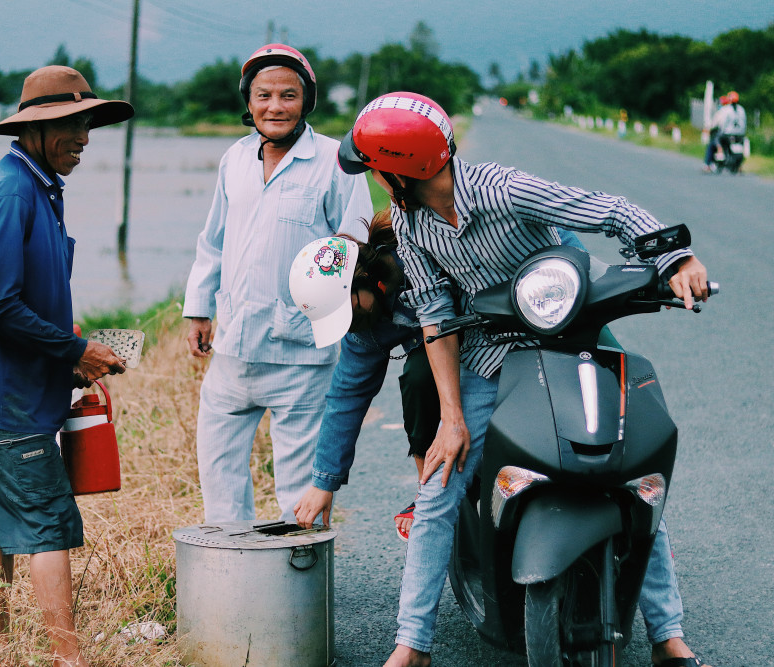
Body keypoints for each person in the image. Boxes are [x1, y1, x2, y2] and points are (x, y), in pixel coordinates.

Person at [337, 91, 712, 667]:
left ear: (397, 172)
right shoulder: (412, 227)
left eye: (376, 168)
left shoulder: (501, 188)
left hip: (571, 335)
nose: (377, 181)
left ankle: (668, 632)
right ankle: (412, 644)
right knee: (437, 489)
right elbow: (436, 318)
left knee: (629, 467)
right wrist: (452, 420)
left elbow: (605, 210)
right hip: (490, 357)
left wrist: (675, 258)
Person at [0, 65, 132, 667]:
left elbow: (23, 296)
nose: (84, 137)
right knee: (47, 525)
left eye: (87, 123)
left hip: (8, 386)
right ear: (37, 128)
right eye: (74, 124)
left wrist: (69, 353)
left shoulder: (36, 185)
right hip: (8, 396)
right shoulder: (12, 191)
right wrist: (75, 350)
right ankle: (67, 659)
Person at [291, 214, 589, 542]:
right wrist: (324, 483)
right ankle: (428, 491)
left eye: (348, 313)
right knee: (419, 376)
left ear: (365, 278)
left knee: (595, 357)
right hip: (443, 350)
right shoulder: (364, 327)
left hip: (509, 316)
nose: (349, 326)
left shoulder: (420, 257)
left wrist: (577, 289)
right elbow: (345, 397)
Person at [182, 44, 373, 523]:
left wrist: (323, 302)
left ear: (306, 101)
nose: (275, 106)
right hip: (233, 347)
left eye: (288, 95)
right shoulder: (236, 158)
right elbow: (213, 240)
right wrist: (199, 308)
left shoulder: (336, 160)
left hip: (300, 354)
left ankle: (300, 591)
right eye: (263, 95)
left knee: (299, 489)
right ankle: (234, 583)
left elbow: (356, 238)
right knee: (220, 476)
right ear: (248, 102)